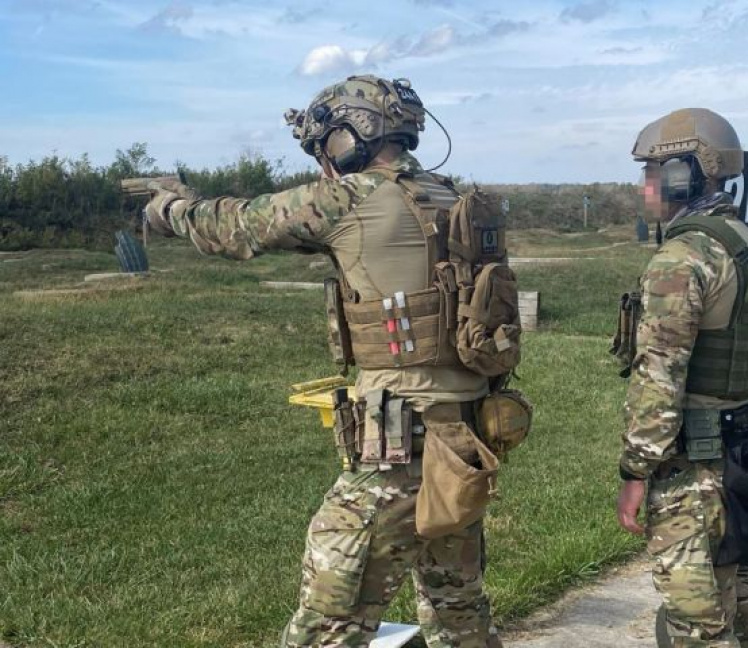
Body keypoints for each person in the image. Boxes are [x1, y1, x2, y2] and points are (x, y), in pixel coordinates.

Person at [143, 75, 508, 648]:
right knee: (458, 612)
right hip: (464, 439)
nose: (323, 163)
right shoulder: (452, 198)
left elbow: (238, 226)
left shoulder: (353, 197)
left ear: (348, 137)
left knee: (327, 622)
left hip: (398, 449)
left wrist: (171, 208)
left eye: (324, 147)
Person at [614, 108, 748, 648]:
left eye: (651, 172)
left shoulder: (683, 257)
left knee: (697, 626)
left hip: (697, 470)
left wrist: (635, 470)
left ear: (683, 173)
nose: (644, 186)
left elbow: (659, 376)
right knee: (744, 604)